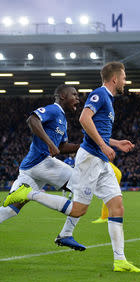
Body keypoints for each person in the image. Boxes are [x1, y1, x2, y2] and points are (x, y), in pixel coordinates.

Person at [4, 62, 140, 273]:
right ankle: (38, 202)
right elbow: (83, 118)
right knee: (78, 207)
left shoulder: (78, 112)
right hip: (65, 161)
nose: (78, 98)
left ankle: (119, 260)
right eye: (124, 77)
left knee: (117, 206)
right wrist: (103, 145)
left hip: (96, 160)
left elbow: (68, 143)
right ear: (115, 79)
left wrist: (114, 143)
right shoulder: (99, 95)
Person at [0, 86, 80, 243]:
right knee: (83, 186)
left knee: (10, 209)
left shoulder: (62, 119)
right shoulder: (54, 110)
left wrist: (83, 146)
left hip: (30, 168)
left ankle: (27, 193)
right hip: (41, 162)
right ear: (63, 96)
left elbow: (62, 147)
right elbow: (32, 120)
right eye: (74, 94)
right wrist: (50, 143)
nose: (78, 98)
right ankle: (65, 234)